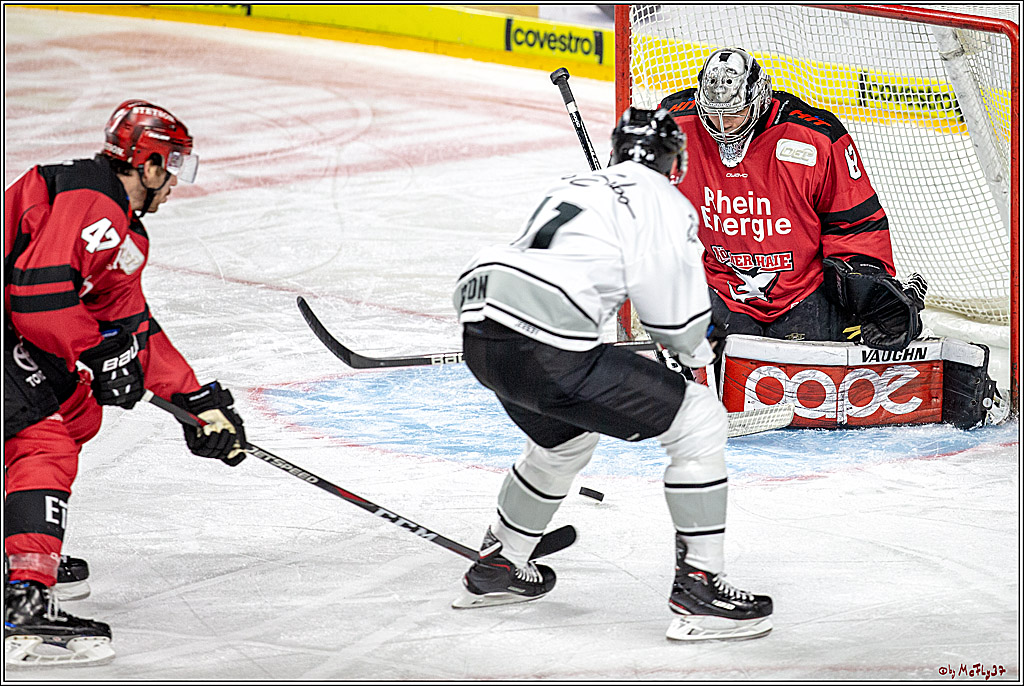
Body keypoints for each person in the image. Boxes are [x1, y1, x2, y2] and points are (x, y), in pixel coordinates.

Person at [450, 108, 772, 641]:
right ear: (675, 159)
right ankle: (700, 589)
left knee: (564, 444)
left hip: (480, 324)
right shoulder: (664, 197)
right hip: (547, 335)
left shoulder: (581, 182)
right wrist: (698, 347)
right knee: (700, 423)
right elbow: (677, 323)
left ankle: (501, 565)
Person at [4, 100, 248, 667]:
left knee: (79, 414)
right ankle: (26, 601)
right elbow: (37, 304)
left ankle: (27, 546)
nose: (175, 181)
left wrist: (195, 402)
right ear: (150, 163)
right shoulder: (92, 203)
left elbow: (132, 326)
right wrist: (99, 350)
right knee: (48, 434)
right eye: (174, 164)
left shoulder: (118, 227)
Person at [660, 47, 927, 353]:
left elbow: (854, 223)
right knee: (704, 387)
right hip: (723, 288)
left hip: (804, 293)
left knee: (811, 392)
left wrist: (867, 283)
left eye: (734, 113)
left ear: (759, 97)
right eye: (713, 114)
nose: (723, 125)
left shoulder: (816, 137)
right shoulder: (674, 127)